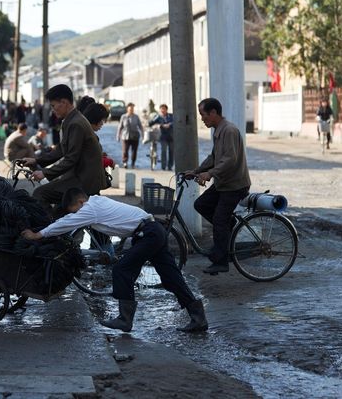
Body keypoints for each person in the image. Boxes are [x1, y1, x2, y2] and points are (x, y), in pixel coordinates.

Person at [21, 188, 207, 333]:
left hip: (148, 234)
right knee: (170, 277)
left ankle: (124, 320)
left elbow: (67, 222)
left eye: (76, 210)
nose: (77, 214)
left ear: (80, 202)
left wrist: (39, 234)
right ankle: (198, 317)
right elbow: (70, 218)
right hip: (152, 231)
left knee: (121, 270)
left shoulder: (90, 208)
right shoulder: (96, 202)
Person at [185, 98, 251, 275]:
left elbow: (230, 160)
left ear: (213, 113)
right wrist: (197, 170)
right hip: (223, 184)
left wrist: (210, 173)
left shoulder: (229, 131)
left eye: (203, 115)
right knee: (201, 204)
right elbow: (214, 157)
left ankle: (221, 261)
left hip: (235, 185)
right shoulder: (218, 131)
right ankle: (228, 227)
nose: (202, 119)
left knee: (219, 221)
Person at [21, 84, 108, 212]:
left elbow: (71, 158)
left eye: (53, 105)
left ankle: (49, 230)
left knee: (40, 194)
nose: (53, 110)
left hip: (84, 180)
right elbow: (61, 149)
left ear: (64, 102)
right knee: (58, 207)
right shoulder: (71, 119)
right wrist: (37, 161)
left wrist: (44, 173)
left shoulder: (76, 123)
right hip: (79, 175)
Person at [117, 103, 143, 169]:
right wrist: (118, 135)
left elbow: (140, 126)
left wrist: (143, 135)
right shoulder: (123, 116)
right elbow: (120, 127)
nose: (131, 110)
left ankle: (133, 163)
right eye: (130, 109)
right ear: (127, 109)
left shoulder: (136, 116)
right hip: (125, 136)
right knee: (125, 150)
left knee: (134, 151)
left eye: (132, 109)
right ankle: (125, 162)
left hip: (135, 136)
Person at [149, 103, 174, 170]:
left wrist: (170, 124)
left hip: (171, 136)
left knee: (171, 151)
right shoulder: (158, 117)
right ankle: (163, 166)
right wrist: (158, 124)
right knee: (164, 151)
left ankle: (170, 166)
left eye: (164, 109)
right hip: (163, 137)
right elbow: (150, 123)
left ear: (166, 110)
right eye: (161, 109)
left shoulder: (171, 116)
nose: (162, 110)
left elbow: (176, 122)